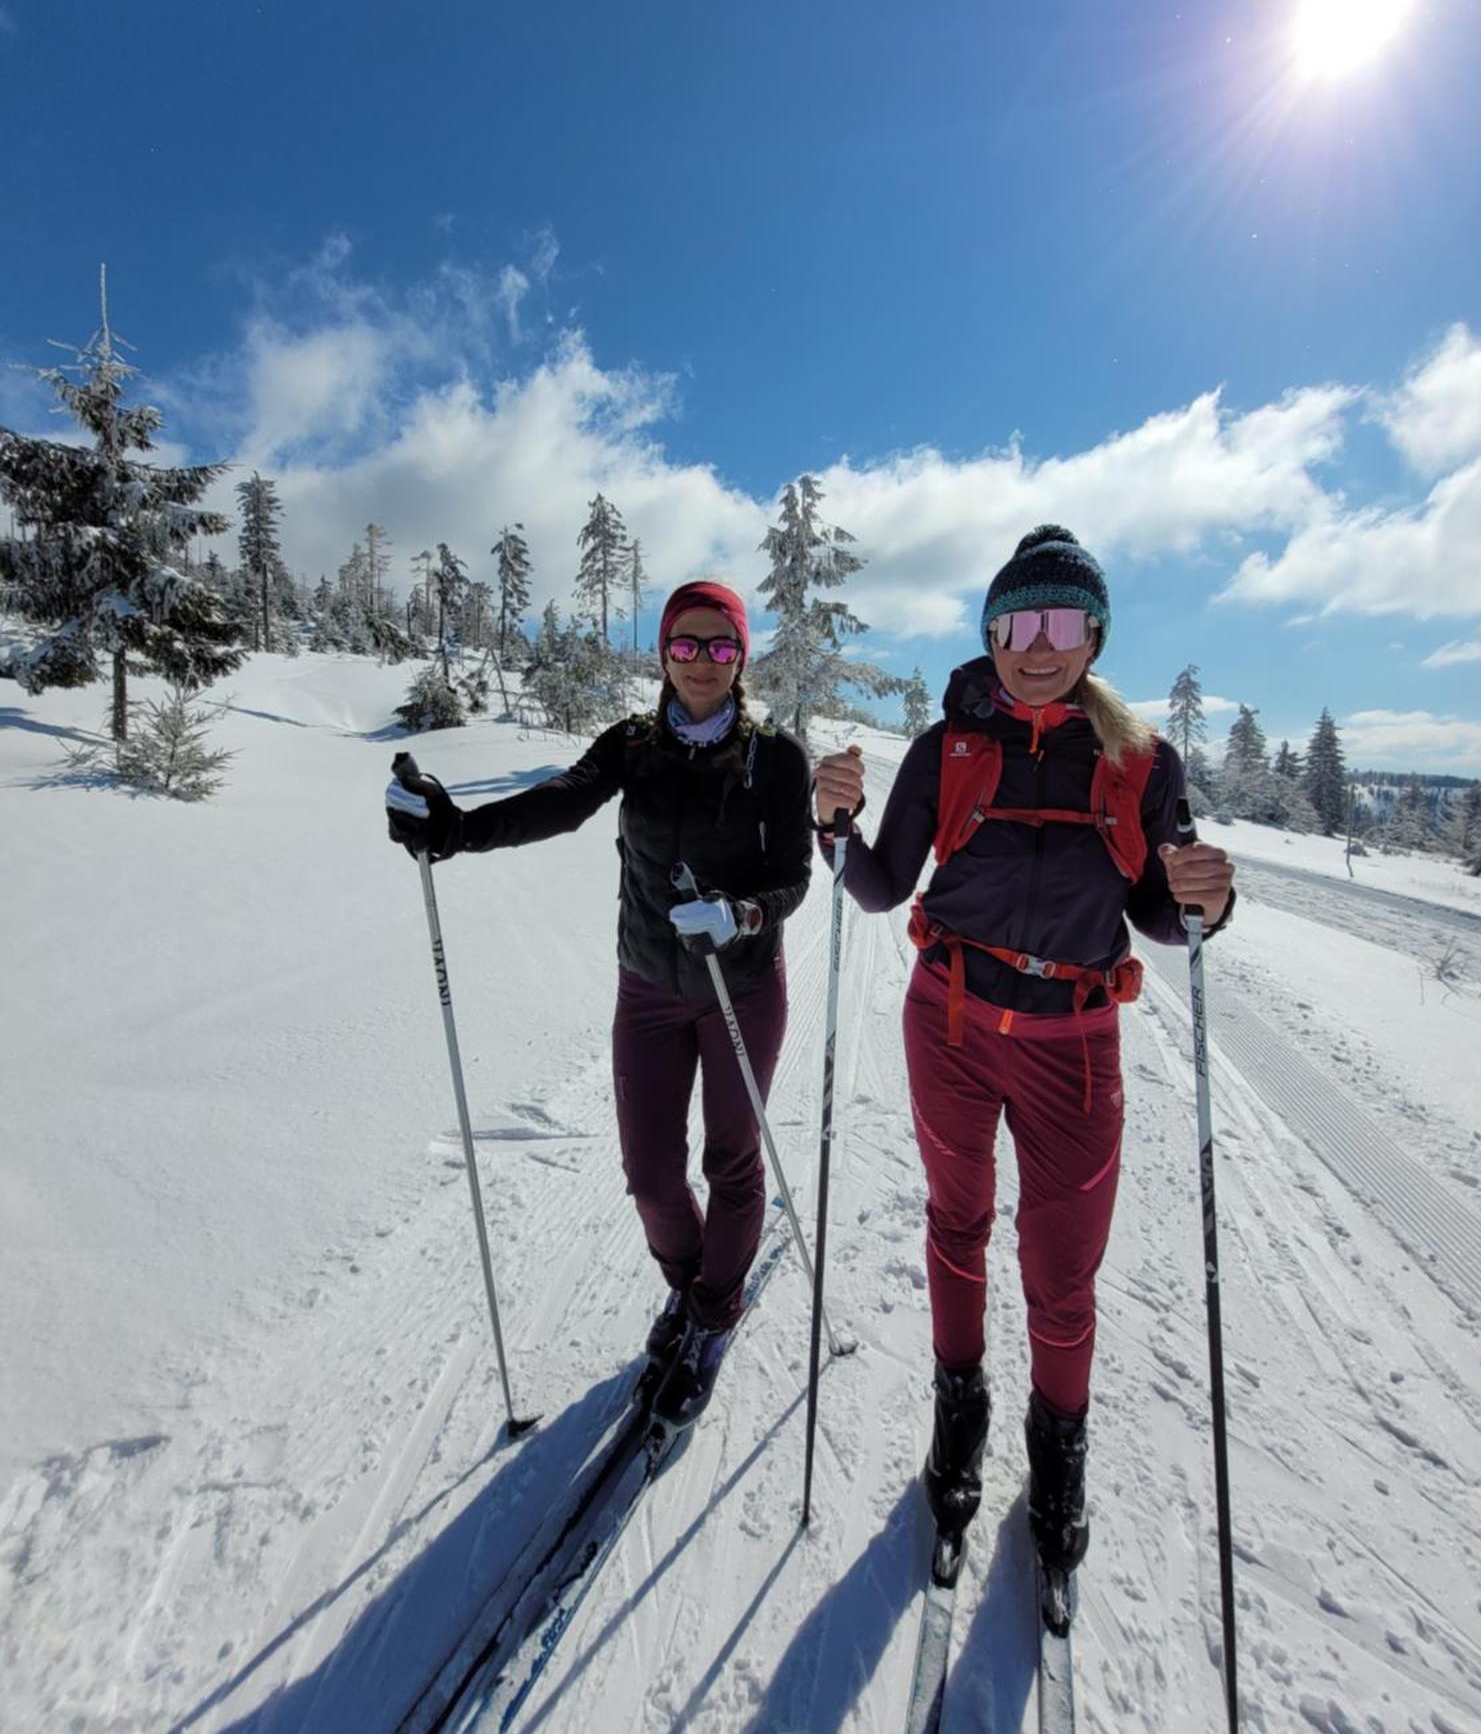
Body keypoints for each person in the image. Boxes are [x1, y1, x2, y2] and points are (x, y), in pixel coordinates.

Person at [812, 525, 1234, 1575]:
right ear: (990, 631)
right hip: (948, 1024)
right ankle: (961, 1409)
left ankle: (1060, 1446)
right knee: (956, 1220)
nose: (1034, 645)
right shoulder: (947, 744)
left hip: (1074, 1048)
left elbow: (1161, 914)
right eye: (1014, 622)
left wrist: (1207, 904)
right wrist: (835, 827)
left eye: (1058, 622)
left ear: (1093, 634)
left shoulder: (1141, 758)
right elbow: (879, 886)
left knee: (1061, 1266)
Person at [386, 581, 812, 1428]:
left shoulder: (777, 758)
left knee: (732, 1164)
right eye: (685, 645)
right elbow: (559, 801)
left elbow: (795, 875)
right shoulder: (632, 744)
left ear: (741, 658)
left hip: (742, 987)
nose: (701, 662)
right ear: (662, 652)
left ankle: (713, 1315)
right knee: (651, 1175)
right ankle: (692, 1290)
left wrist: (743, 916)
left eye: (719, 647)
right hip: (649, 988)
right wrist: (456, 830)